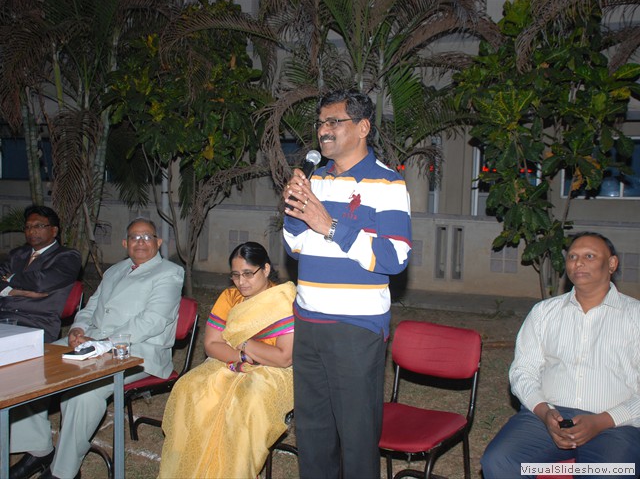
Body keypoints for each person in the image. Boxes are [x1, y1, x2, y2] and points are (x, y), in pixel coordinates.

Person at [282, 89, 412, 477]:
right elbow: (295, 247)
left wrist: (331, 226)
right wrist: (293, 210)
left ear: (363, 127)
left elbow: (395, 257)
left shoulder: (388, 183)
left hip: (355, 329)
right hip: (308, 324)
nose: (324, 130)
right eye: (321, 122)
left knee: (356, 440)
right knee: (313, 435)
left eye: (334, 122)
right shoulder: (316, 180)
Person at [9, 217, 184, 479]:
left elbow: (153, 320)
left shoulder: (169, 273)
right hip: (93, 341)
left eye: (147, 237)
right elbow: (91, 307)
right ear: (125, 243)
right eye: (134, 237)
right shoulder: (115, 270)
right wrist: (78, 329)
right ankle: (38, 450)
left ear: (158, 242)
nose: (140, 242)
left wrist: (103, 343)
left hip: (138, 351)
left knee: (83, 393)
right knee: (31, 367)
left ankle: (63, 472)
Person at [481, 232, 640, 478]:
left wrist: (602, 421)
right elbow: (523, 371)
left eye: (589, 256)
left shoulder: (635, 316)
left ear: (611, 264)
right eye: (572, 257)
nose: (578, 263)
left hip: (616, 425)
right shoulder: (544, 313)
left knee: (611, 472)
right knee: (500, 461)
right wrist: (545, 413)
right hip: (548, 419)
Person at [158, 241, 296, 478]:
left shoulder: (283, 301)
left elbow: (283, 358)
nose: (241, 282)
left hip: (274, 372)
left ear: (265, 269)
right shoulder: (230, 297)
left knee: (247, 401)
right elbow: (212, 344)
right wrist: (242, 356)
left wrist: (244, 343)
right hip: (230, 362)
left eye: (248, 274)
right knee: (189, 388)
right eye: (235, 275)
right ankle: (190, 462)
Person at [0, 205, 81, 342]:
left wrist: (11, 277)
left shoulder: (68, 256)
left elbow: (40, 282)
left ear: (54, 230)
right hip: (4, 318)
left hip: (36, 324)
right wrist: (15, 292)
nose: (31, 231)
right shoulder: (17, 254)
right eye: (27, 227)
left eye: (38, 226)